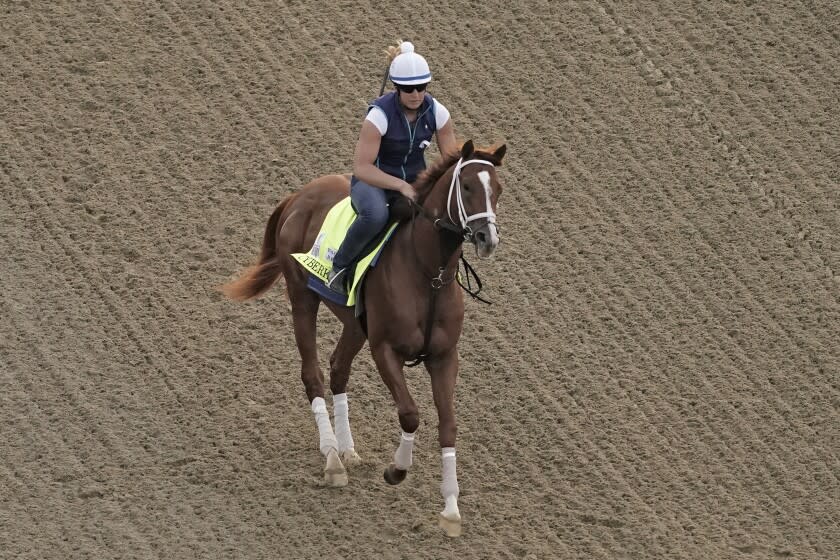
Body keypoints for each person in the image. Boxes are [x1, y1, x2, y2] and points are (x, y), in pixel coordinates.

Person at [325, 41, 457, 295]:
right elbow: (362, 168)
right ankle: (339, 267)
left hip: (414, 181)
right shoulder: (379, 117)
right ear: (397, 88)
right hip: (372, 182)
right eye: (409, 89)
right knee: (376, 215)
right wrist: (400, 185)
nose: (416, 94)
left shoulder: (438, 113)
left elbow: (450, 159)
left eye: (421, 88)